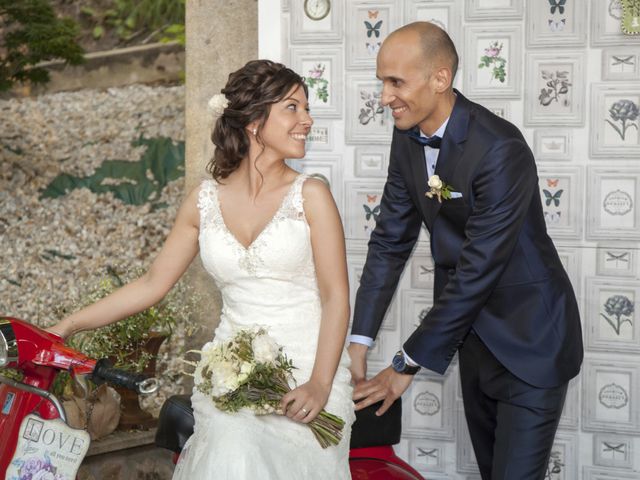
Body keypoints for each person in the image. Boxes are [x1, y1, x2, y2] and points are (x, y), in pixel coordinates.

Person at [47, 59, 355, 479]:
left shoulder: (312, 195)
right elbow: (153, 283)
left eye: (306, 107)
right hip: (230, 378)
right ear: (253, 122)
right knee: (234, 451)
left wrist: (319, 383)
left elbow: (336, 295)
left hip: (309, 371)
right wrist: (68, 325)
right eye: (292, 107)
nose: (307, 119)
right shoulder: (204, 200)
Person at [347, 22, 583, 480]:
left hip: (531, 340)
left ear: (440, 77)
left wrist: (405, 364)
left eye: (396, 82)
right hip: (472, 344)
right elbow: (390, 240)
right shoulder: (407, 136)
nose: (384, 97)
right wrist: (361, 338)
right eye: (381, 82)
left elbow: (478, 269)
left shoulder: (500, 149)